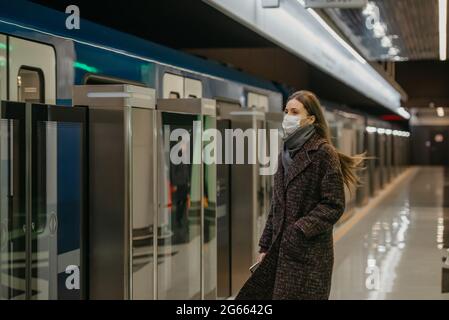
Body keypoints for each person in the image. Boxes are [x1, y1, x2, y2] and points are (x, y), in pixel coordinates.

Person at [236, 90, 364, 300]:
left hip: (308, 254)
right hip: (279, 253)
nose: (288, 117)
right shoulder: (285, 152)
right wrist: (265, 245)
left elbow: (334, 204)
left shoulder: (323, 153)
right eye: (286, 111)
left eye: (294, 112)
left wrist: (299, 230)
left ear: (310, 118)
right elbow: (277, 205)